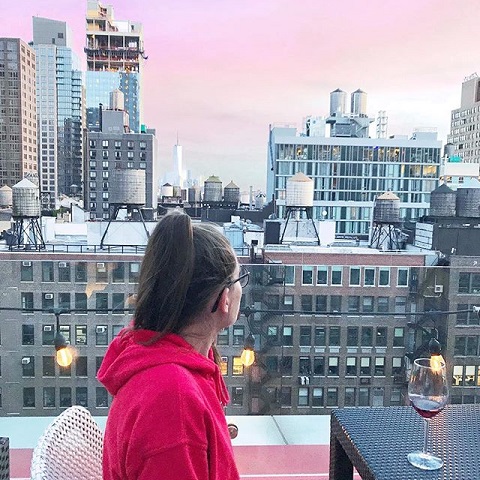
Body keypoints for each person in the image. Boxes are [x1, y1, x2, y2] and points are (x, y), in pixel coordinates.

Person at [98, 212, 247, 480]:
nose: (241, 290)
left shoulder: (168, 367)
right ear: (224, 299)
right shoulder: (173, 399)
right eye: (238, 280)